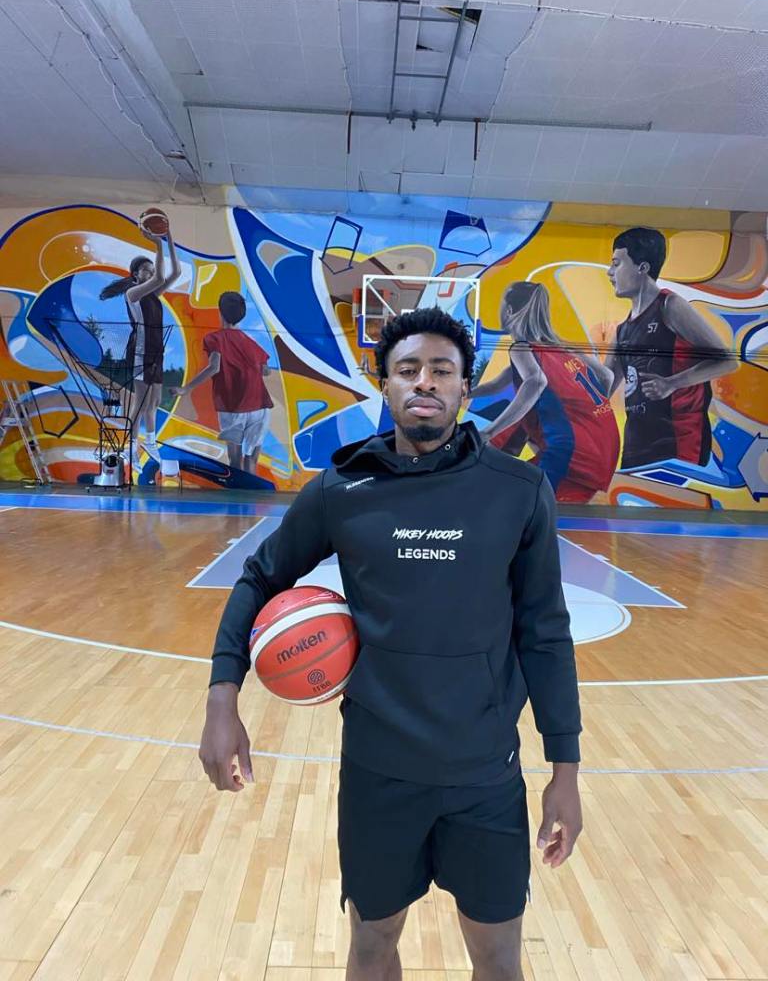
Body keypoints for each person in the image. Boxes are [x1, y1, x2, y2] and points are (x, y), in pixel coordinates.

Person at [199, 307, 582, 981]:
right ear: (387, 386)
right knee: (372, 944)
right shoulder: (344, 490)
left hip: (485, 773)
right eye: (408, 369)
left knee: (499, 958)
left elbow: (545, 631)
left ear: (464, 388)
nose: (424, 381)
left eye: (441, 370)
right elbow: (259, 577)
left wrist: (566, 771)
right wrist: (221, 699)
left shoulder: (518, 491)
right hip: (378, 772)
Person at [472, 281, 619, 503]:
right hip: (605, 449)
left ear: (509, 311)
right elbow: (606, 375)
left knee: (502, 500)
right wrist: (465, 393)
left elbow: (535, 382)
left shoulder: (521, 348)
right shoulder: (560, 346)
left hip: (571, 454)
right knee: (539, 507)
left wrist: (488, 432)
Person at [605, 227, 738, 470]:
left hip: (679, 442)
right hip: (636, 442)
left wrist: (671, 383)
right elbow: (602, 387)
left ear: (642, 267)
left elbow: (727, 360)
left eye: (616, 264)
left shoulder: (670, 306)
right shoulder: (622, 329)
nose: (609, 272)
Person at [99, 226, 181, 461]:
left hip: (156, 352)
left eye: (152, 270)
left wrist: (168, 236)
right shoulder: (133, 294)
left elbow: (175, 272)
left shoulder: (154, 295)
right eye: (146, 270)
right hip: (141, 352)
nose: (151, 273)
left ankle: (150, 442)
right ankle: (131, 447)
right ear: (136, 275)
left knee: (154, 402)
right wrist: (157, 244)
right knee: (140, 402)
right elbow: (161, 278)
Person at [171, 291, 273, 474]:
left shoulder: (214, 339)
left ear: (220, 312)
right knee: (251, 460)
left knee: (235, 460)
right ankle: (251, 492)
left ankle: (237, 492)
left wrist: (186, 389)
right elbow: (266, 370)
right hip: (260, 406)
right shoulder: (250, 342)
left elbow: (214, 367)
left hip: (233, 408)